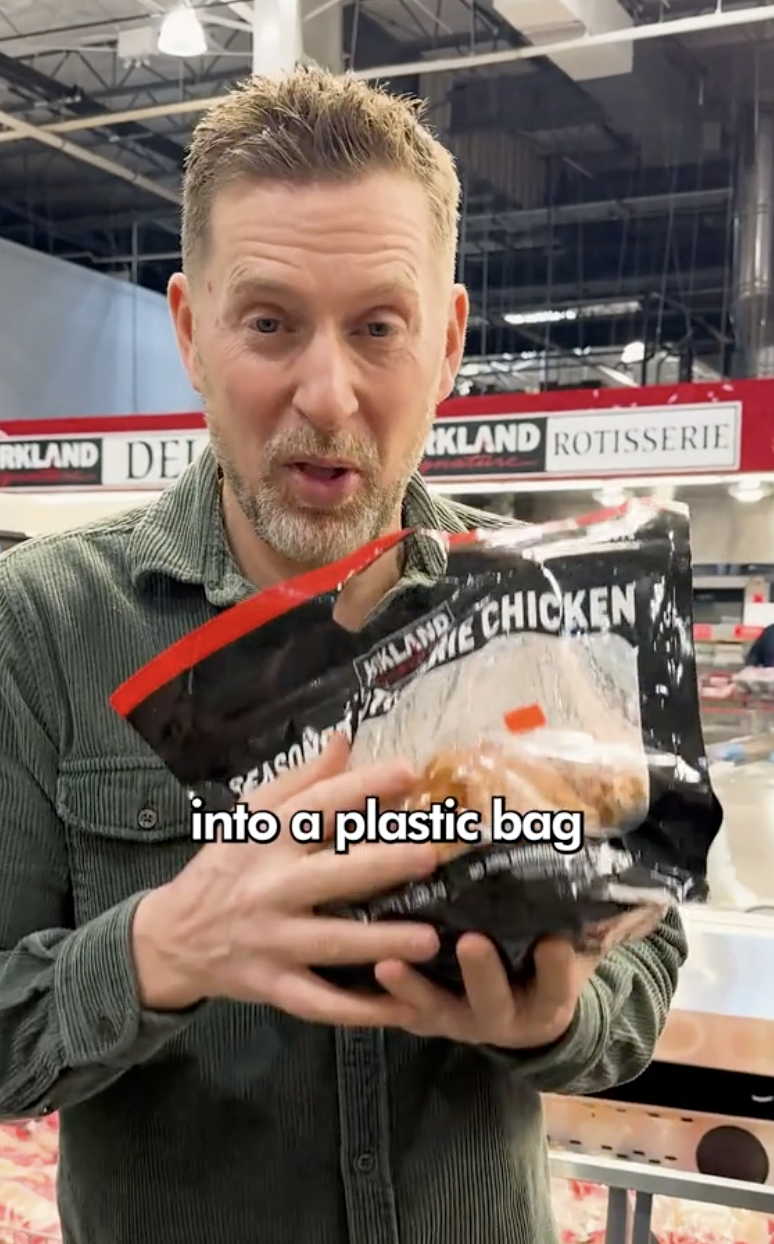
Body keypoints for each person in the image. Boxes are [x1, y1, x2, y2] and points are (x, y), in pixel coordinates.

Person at [0, 66, 686, 1244]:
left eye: (379, 326)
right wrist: (157, 951)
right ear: (190, 330)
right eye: (269, 322)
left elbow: (650, 938)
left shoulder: (554, 601)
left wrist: (559, 1019)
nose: (329, 394)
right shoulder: (43, 624)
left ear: (450, 339)